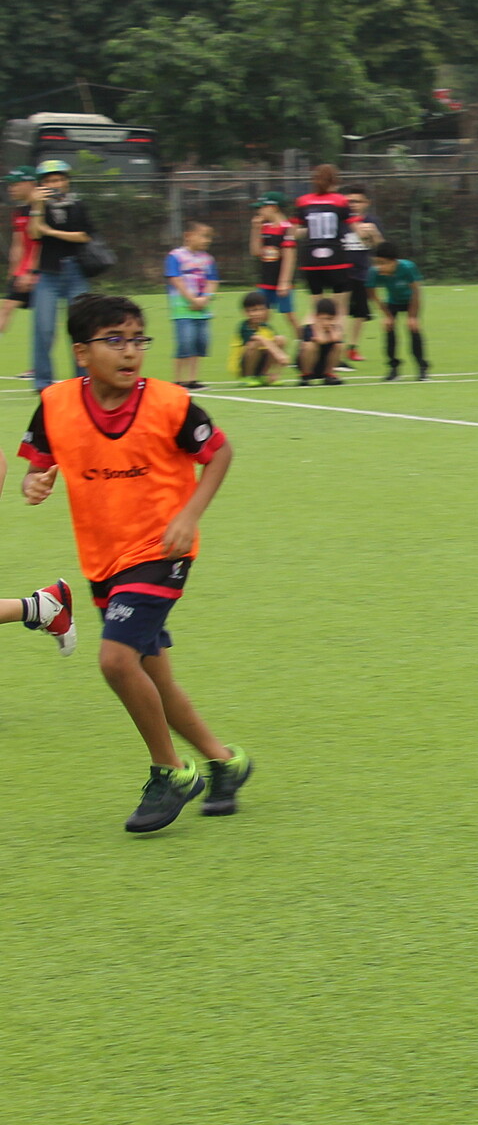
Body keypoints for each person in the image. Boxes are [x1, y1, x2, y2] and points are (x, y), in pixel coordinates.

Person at [21, 293, 252, 832]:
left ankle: (171, 771)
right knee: (153, 678)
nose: (130, 353)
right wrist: (37, 481)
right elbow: (40, 464)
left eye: (137, 340)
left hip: (161, 553)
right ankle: (224, 761)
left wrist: (189, 514)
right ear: (82, 352)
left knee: (115, 662)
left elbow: (219, 452)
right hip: (103, 561)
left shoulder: (170, 403)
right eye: (115, 341)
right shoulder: (55, 403)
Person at [27, 159, 94, 390]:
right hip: (49, 273)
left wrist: (51, 232)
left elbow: (85, 236)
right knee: (44, 329)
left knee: (81, 327)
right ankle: (42, 382)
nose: (56, 184)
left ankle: (83, 379)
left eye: (59, 179)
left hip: (75, 270)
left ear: (67, 181)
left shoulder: (77, 205)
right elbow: (35, 235)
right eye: (50, 181)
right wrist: (36, 206)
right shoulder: (39, 207)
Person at [293, 165, 357, 328]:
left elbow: (294, 232)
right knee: (339, 310)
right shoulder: (340, 201)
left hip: (311, 259)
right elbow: (356, 229)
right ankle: (335, 348)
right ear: (334, 181)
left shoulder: (303, 201)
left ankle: (306, 344)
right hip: (335, 258)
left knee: (315, 310)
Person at [162, 220, 218, 390]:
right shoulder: (175, 256)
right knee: (185, 343)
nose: (207, 240)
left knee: (199, 343)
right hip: (182, 310)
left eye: (209, 237)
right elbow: (175, 279)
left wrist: (206, 298)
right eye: (203, 236)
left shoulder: (208, 259)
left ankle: (193, 379)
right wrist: (192, 299)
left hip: (202, 310)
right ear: (188, 236)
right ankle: (178, 380)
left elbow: (213, 280)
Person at [340, 187, 385, 363]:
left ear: (366, 203)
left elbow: (381, 249)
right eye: (349, 201)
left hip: (361, 272)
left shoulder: (371, 221)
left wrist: (374, 233)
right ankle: (337, 346)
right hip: (341, 271)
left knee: (360, 313)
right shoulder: (341, 221)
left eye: (357, 201)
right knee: (340, 311)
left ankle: (352, 347)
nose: (353, 205)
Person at [372, 243, 428, 381]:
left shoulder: (407, 268)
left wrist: (413, 317)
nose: (379, 267)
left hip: (410, 301)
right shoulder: (374, 271)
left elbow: (416, 291)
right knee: (389, 329)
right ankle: (393, 368)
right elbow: (373, 295)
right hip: (393, 301)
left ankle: (422, 368)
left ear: (394, 262)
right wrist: (387, 316)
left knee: (414, 329)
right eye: (377, 263)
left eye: (383, 263)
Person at [250, 196, 297, 333]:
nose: (259, 212)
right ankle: (261, 344)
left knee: (289, 315)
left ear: (273, 208)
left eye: (262, 208)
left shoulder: (287, 229)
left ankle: (303, 341)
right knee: (261, 316)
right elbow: (256, 251)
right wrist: (255, 230)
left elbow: (289, 257)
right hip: (266, 281)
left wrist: (284, 282)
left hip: (281, 282)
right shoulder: (264, 228)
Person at [0, 170, 37, 337]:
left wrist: (31, 272)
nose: (11, 189)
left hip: (37, 273)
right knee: (6, 307)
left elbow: (40, 244)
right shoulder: (19, 211)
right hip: (22, 272)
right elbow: (18, 244)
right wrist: (13, 272)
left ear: (30, 184)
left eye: (15, 184)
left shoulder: (40, 208)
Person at [231, 290, 290, 387]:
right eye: (253, 310)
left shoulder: (266, 327)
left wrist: (277, 371)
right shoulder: (244, 327)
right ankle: (247, 377)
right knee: (254, 344)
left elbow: (276, 344)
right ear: (245, 312)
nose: (257, 313)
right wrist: (279, 354)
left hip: (259, 363)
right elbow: (259, 339)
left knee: (280, 339)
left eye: (260, 309)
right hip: (242, 365)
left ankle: (265, 375)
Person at [296, 296, 347, 386]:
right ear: (316, 317)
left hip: (324, 362)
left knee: (338, 346)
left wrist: (331, 331)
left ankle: (329, 374)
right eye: (325, 319)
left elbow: (337, 339)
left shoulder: (334, 327)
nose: (328, 322)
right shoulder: (309, 328)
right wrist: (321, 332)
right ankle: (306, 375)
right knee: (309, 346)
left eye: (331, 319)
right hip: (310, 362)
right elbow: (320, 340)